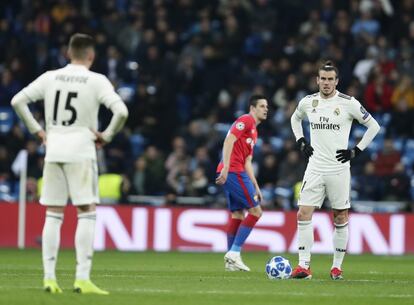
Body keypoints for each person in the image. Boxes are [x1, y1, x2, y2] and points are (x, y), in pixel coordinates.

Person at [11, 33, 129, 294]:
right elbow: (121, 111)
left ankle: (50, 278)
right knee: (86, 212)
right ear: (91, 56)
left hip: (53, 148)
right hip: (81, 150)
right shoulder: (97, 80)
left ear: (68, 53)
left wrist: (38, 131)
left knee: (53, 214)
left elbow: (17, 100)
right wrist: (106, 136)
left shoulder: (50, 77)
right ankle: (82, 278)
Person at [290, 61, 380, 280]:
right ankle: (304, 266)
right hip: (315, 167)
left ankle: (336, 267)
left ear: (337, 81)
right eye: (323, 79)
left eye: (331, 79)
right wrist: (301, 140)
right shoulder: (308, 102)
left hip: (339, 169)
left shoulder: (348, 103)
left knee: (340, 216)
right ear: (317, 80)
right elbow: (295, 118)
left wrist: (356, 151)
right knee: (303, 213)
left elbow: (373, 126)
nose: (327, 83)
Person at [216, 95, 268, 271]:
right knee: (256, 211)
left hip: (236, 170)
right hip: (232, 171)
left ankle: (230, 262)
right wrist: (226, 167)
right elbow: (228, 140)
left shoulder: (254, 131)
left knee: (238, 215)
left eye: (266, 106)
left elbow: (248, 161)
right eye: (262, 106)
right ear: (252, 108)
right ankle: (234, 253)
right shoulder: (245, 120)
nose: (265, 109)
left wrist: (256, 186)